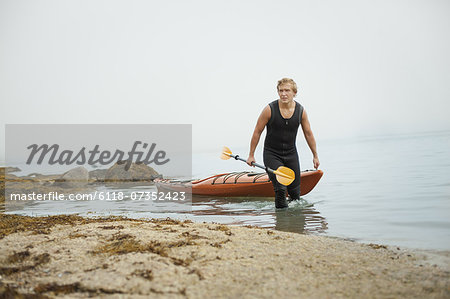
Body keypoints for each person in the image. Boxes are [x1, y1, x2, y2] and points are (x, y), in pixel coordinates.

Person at [246, 78, 320, 208]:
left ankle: (294, 225)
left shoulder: (300, 111)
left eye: (287, 90)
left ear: (294, 93)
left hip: (291, 155)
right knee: (280, 188)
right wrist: (251, 154)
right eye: (281, 91)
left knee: (295, 193)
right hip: (272, 154)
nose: (283, 94)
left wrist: (315, 155)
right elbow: (257, 131)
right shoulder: (269, 109)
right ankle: (280, 223)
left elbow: (308, 133)